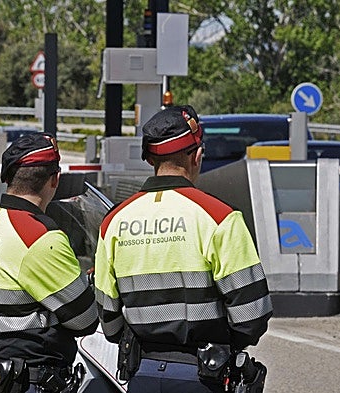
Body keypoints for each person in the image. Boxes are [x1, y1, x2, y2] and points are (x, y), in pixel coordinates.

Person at [94, 105, 273, 393]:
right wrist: (227, 345)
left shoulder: (114, 222)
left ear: (149, 158)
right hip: (204, 375)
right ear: (198, 156)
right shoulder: (219, 218)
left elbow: (108, 314)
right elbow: (252, 313)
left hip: (142, 373)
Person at [0, 132, 99, 393]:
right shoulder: (40, 237)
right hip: (32, 378)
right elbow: (85, 321)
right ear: (55, 180)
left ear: (7, 178)